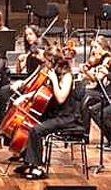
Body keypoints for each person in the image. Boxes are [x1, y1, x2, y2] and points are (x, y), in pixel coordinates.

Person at [15, 46, 83, 179]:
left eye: (46, 61)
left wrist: (54, 80)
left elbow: (61, 98)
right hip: (54, 113)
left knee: (36, 130)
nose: (44, 63)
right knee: (26, 124)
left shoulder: (67, 76)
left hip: (66, 117)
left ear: (52, 61)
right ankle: (28, 162)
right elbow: (42, 93)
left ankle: (38, 167)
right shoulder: (51, 73)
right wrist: (25, 97)